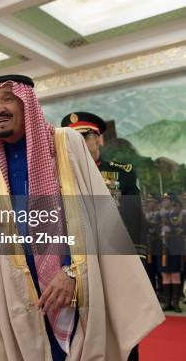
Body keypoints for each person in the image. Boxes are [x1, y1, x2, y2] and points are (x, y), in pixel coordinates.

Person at [0, 75, 163, 361]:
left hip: (71, 286)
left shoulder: (66, 144)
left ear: (27, 102)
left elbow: (98, 217)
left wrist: (70, 271)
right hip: (17, 291)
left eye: (7, 99)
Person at [61, 111, 150, 360]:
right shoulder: (60, 178)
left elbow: (135, 222)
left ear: (98, 139)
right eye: (71, 138)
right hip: (76, 270)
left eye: (84, 136)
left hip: (116, 266)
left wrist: (136, 264)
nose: (77, 143)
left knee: (123, 334)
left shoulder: (122, 173)